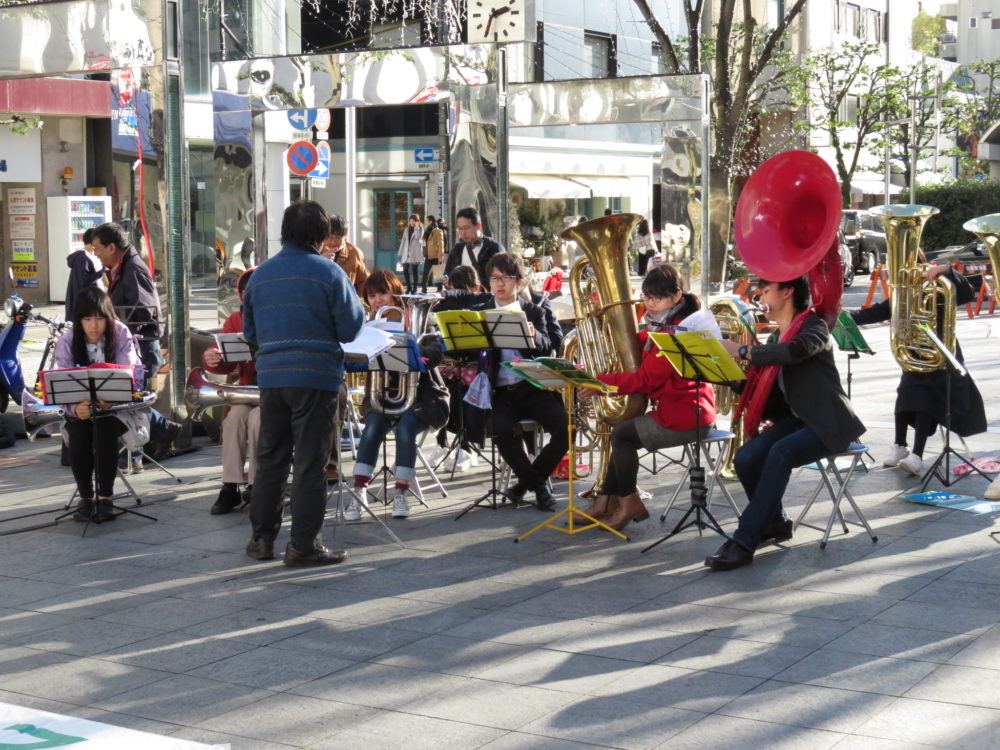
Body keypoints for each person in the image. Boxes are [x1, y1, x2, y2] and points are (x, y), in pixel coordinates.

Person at [705, 276, 865, 571]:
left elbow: (796, 351)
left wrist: (742, 351)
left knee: (780, 454)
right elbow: (770, 398)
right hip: (797, 419)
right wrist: (716, 371)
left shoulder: (814, 325)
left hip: (829, 423)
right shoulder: (776, 337)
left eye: (765, 290)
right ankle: (775, 522)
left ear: (788, 292)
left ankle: (744, 540)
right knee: (746, 458)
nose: (759, 297)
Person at [242, 200, 365, 566]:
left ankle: (261, 540)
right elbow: (350, 327)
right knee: (311, 462)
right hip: (316, 378)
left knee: (271, 459)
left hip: (272, 379)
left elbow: (251, 332)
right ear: (319, 235)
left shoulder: (260, 275)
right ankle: (303, 546)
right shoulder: (328, 273)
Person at [583, 265, 717, 530]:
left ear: (676, 296)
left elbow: (644, 381)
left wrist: (599, 383)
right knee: (621, 433)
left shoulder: (678, 331)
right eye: (646, 296)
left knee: (622, 435)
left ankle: (628, 500)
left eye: (657, 298)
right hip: (683, 410)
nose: (650, 303)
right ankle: (605, 503)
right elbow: (639, 341)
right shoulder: (665, 323)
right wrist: (609, 328)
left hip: (686, 417)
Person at [452, 254, 567, 511]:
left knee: (564, 429)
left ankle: (522, 485)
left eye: (505, 277)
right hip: (501, 391)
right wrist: (465, 343)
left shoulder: (533, 311)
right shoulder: (480, 313)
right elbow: (468, 354)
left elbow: (550, 346)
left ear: (519, 281)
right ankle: (538, 486)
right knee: (501, 430)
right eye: (494, 278)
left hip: (534, 388)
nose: (499, 283)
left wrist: (533, 334)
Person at [852, 263, 987, 476]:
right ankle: (900, 446)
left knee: (923, 391)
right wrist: (844, 317)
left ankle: (917, 455)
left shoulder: (940, 287)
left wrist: (947, 271)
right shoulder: (905, 293)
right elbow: (878, 311)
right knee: (906, 389)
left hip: (944, 360)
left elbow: (967, 293)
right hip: (916, 355)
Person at [348, 270, 449, 520]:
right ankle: (358, 491)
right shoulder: (367, 327)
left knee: (405, 430)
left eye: (383, 293)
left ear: (395, 293)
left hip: (424, 399)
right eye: (372, 295)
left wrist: (416, 349)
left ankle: (402, 493)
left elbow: (439, 349)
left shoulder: (422, 322)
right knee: (371, 429)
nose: (378, 300)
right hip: (380, 397)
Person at [90, 222, 181, 462]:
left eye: (97, 248)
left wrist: (114, 319)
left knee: (131, 399)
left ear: (111, 247)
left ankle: (138, 451)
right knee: (129, 398)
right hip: (132, 344)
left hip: (141, 346)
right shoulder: (122, 267)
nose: (95, 253)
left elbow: (144, 311)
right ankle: (158, 433)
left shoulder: (132, 268)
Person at [53, 287, 143, 523]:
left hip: (117, 410)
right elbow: (59, 380)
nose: (94, 325)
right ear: (78, 320)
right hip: (79, 411)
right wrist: (75, 409)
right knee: (78, 430)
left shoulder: (121, 333)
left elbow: (133, 375)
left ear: (108, 317)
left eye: (100, 318)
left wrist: (111, 399)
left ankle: (105, 496)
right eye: (87, 319)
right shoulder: (68, 339)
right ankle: (85, 497)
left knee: (103, 428)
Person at [201, 268, 258, 515]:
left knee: (258, 421)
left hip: (274, 391)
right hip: (248, 390)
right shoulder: (234, 320)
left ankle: (257, 484)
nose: (250, 296)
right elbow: (224, 361)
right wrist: (211, 359)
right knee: (233, 419)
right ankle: (230, 485)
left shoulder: (278, 317)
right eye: (246, 292)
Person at [429, 265, 485, 471]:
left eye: (464, 290)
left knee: (462, 394)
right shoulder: (442, 303)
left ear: (476, 287)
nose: (458, 294)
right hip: (449, 364)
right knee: (440, 392)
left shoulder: (483, 302)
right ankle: (441, 443)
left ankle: (466, 447)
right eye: (455, 289)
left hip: (475, 366)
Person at [443, 206, 506, 284]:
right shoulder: (457, 249)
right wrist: (447, 280)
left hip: (485, 295)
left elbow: (502, 277)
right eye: (460, 228)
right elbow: (447, 273)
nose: (463, 233)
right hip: (461, 295)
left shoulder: (493, 248)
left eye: (466, 228)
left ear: (478, 226)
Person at [320, 215, 369, 296]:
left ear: (345, 235)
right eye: (329, 238)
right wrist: (321, 260)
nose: (333, 242)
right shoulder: (318, 249)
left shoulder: (354, 252)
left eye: (337, 238)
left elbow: (363, 280)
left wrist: (355, 298)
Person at [65, 227, 106, 319]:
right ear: (93, 242)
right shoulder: (82, 258)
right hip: (83, 303)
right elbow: (84, 281)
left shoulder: (86, 256)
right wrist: (101, 272)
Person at [398, 213, 424, 294]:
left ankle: (415, 288)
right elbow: (403, 240)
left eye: (413, 221)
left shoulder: (420, 229)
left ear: (417, 221)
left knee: (414, 270)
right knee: (405, 269)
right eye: (410, 221)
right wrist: (401, 251)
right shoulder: (406, 229)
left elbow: (417, 237)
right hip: (406, 251)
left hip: (415, 252)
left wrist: (416, 227)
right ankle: (409, 287)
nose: (411, 223)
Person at [421, 215, 444, 294]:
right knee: (425, 273)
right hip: (428, 255)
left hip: (436, 255)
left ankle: (439, 289)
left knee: (438, 273)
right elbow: (423, 241)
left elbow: (441, 244)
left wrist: (440, 256)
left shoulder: (437, 230)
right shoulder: (427, 230)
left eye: (427, 221)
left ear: (430, 221)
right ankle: (424, 290)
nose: (426, 222)